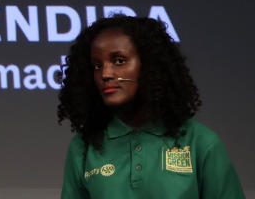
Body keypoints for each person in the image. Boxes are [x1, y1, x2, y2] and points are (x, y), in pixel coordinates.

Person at [57, 15, 245, 198]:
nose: (105, 73)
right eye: (97, 65)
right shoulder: (83, 148)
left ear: (149, 66)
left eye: (119, 61)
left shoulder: (201, 142)